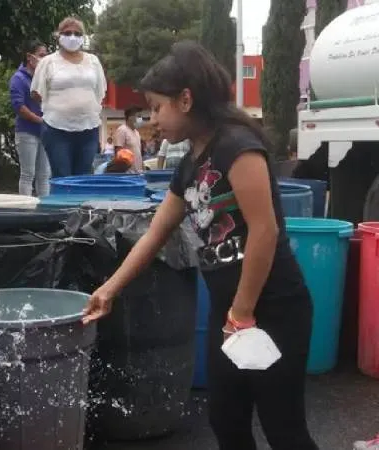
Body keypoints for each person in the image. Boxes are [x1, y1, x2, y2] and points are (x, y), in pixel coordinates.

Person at [82, 41, 319, 450]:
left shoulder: (237, 146)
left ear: (186, 100)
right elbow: (155, 233)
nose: (153, 120)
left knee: (284, 429)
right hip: (231, 313)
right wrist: (109, 289)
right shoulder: (190, 163)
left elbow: (264, 231)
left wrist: (242, 312)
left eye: (158, 107)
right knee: (226, 421)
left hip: (274, 308)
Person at [31, 16, 107, 178]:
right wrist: (59, 107)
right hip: (56, 129)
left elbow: (100, 92)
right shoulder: (48, 62)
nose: (72, 37)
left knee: (83, 178)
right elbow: (36, 93)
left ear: (83, 37)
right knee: (62, 177)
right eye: (67, 33)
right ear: (58, 36)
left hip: (89, 128)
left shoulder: (93, 61)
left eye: (77, 33)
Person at [10, 39, 51, 197]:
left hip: (44, 132)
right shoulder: (18, 78)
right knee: (28, 174)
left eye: (46, 55)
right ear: (29, 57)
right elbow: (19, 107)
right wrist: (40, 120)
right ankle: (25, 207)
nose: (44, 59)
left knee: (44, 175)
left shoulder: (44, 78)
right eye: (41, 55)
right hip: (27, 132)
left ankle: (44, 206)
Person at [114, 106, 144, 173]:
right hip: (128, 172)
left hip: (138, 171)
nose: (141, 119)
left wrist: (142, 167)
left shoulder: (136, 132)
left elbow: (138, 152)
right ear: (130, 117)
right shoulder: (122, 130)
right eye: (139, 116)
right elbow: (118, 152)